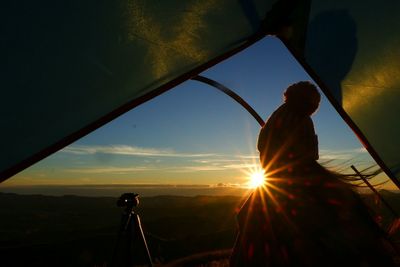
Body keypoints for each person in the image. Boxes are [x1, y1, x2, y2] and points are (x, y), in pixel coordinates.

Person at [230, 81, 395, 266]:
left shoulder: (288, 115)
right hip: (287, 177)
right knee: (248, 216)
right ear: (303, 101)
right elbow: (299, 153)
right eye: (312, 104)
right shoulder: (296, 117)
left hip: (284, 176)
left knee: (247, 217)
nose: (313, 108)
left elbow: (275, 150)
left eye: (314, 105)